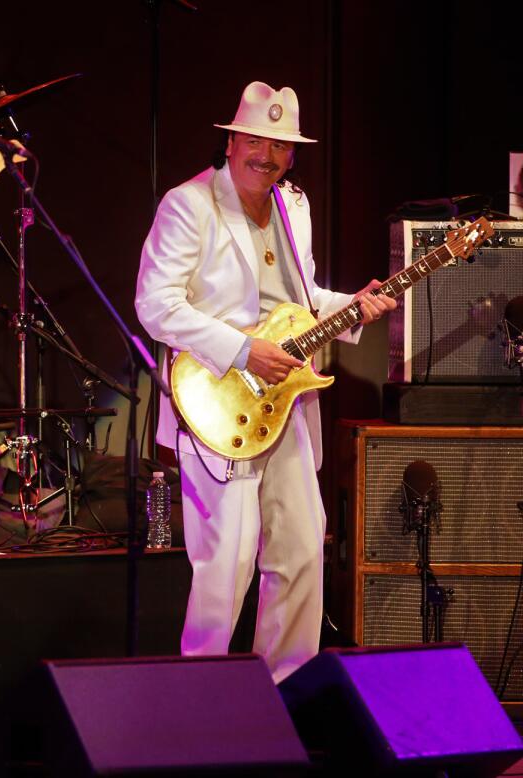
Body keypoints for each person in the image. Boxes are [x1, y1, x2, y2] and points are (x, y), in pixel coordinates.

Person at [134, 81, 395, 683]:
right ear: (230, 142)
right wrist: (242, 350)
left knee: (303, 550)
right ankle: (198, 701)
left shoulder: (292, 205)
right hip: (219, 398)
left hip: (287, 401)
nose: (267, 155)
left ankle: (287, 695)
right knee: (227, 563)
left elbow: (298, 302)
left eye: (280, 145)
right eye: (255, 139)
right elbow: (155, 304)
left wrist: (352, 305)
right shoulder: (188, 204)